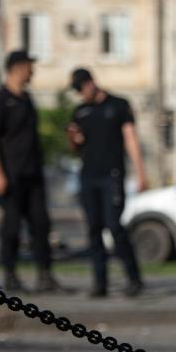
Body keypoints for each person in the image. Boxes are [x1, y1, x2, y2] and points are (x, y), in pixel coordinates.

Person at [0, 50, 64, 293]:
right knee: (11, 227)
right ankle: (11, 275)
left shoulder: (27, 99)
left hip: (33, 173)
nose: (32, 71)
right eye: (30, 66)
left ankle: (45, 275)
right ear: (17, 68)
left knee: (41, 224)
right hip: (11, 175)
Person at [66, 68, 146, 298]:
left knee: (114, 226)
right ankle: (100, 283)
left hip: (112, 175)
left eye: (82, 87)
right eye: (78, 90)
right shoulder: (80, 111)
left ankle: (134, 278)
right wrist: (73, 138)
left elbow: (130, 138)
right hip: (88, 176)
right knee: (93, 229)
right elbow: (75, 148)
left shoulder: (119, 105)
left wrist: (140, 172)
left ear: (92, 82)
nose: (82, 93)